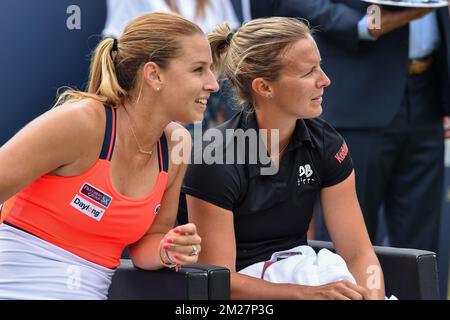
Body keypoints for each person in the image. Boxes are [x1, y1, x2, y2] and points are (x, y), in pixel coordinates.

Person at [0, 12, 219, 300]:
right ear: (154, 75)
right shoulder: (82, 123)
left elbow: (146, 246)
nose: (213, 84)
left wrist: (167, 249)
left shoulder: (178, 144)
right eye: (198, 69)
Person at [180, 17, 385, 299]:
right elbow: (218, 284)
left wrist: (372, 295)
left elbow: (359, 253)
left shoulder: (326, 143)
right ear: (264, 87)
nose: (325, 80)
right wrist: (306, 294)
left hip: (301, 278)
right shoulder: (215, 159)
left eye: (320, 66)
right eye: (308, 72)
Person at [274, 1, 450, 253]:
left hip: (428, 92)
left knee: (420, 243)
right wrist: (360, 25)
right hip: (359, 98)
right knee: (350, 237)